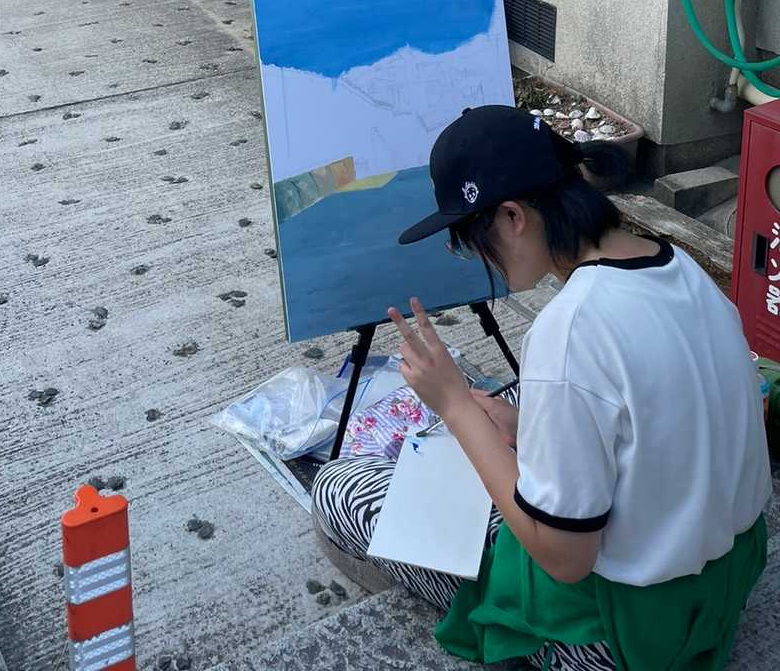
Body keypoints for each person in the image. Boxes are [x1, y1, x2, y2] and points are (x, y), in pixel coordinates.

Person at [312, 105, 771, 671]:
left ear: (511, 217)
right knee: (513, 410)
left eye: (467, 240)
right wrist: (522, 427)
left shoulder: (572, 327)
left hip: (629, 631)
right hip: (725, 582)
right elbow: (664, 419)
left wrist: (454, 405)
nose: (476, 258)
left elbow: (565, 560)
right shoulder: (679, 265)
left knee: (339, 490)